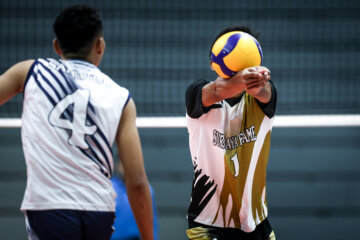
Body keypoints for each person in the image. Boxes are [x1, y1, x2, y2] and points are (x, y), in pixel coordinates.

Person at [0, 4, 153, 240]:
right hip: (99, 211)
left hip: (49, 207)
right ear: (100, 46)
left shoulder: (32, 72)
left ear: (57, 46)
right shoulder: (121, 97)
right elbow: (138, 182)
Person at [185, 25, 277, 240]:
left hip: (256, 222)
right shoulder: (197, 93)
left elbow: (262, 92)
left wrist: (257, 82)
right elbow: (218, 90)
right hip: (208, 222)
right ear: (212, 63)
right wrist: (247, 77)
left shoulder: (264, 96)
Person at [110, 162, 159, 240]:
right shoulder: (109, 188)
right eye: (122, 163)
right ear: (117, 166)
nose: (126, 167)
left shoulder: (147, 191)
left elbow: (152, 222)